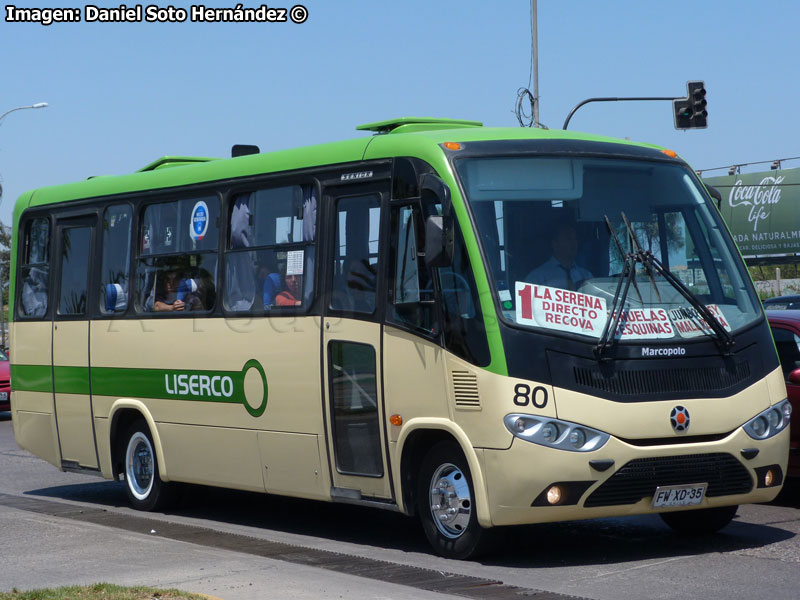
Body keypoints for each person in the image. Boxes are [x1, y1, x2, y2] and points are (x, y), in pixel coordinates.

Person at [526, 221, 592, 291]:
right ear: (555, 244)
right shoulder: (538, 276)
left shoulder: (586, 275)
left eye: (575, 238)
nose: (573, 242)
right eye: (568, 238)